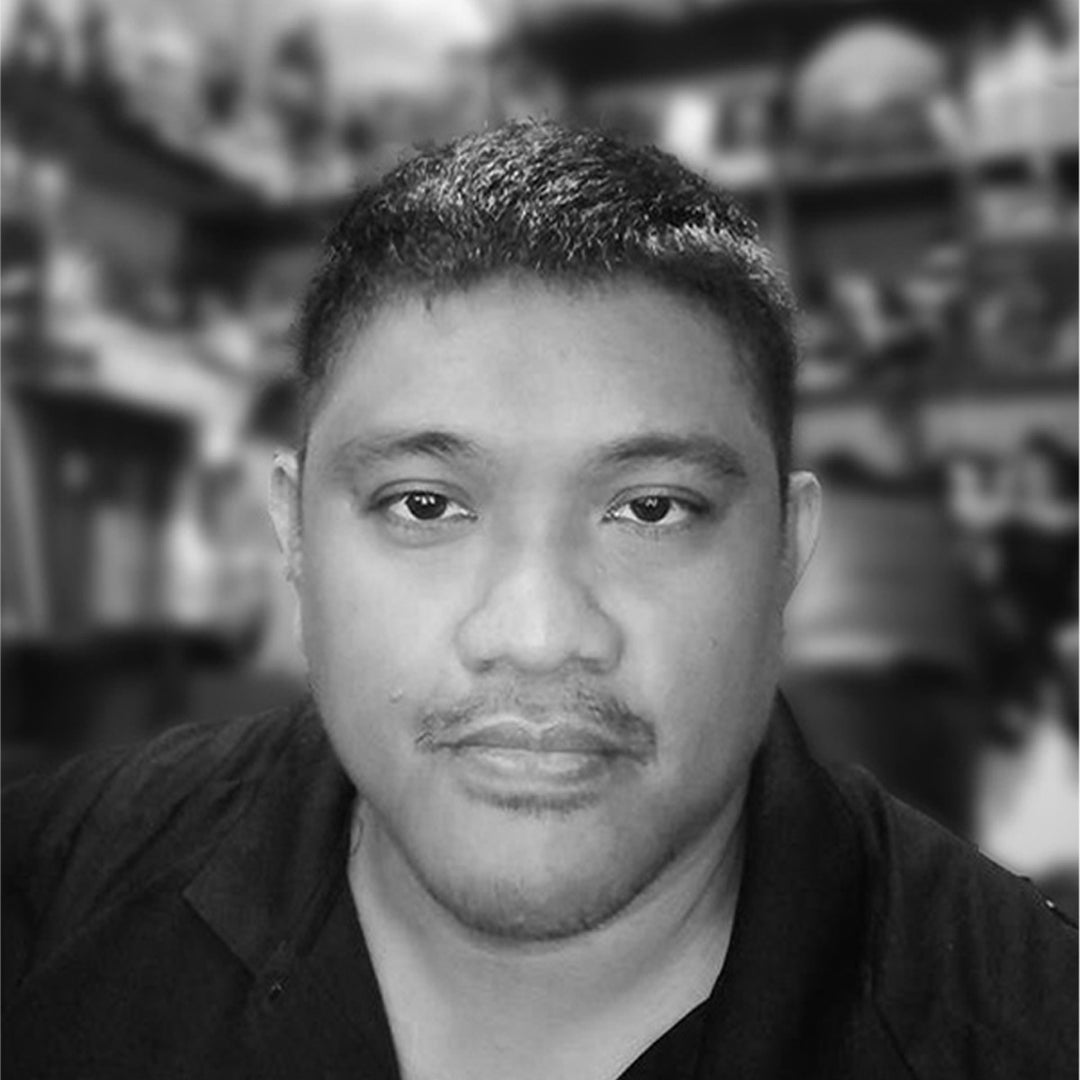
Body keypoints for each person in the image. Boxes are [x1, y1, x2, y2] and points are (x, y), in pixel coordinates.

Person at [3, 121, 1075, 1079]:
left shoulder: (1030, 1033)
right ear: (292, 533)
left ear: (787, 549)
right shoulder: (48, 898)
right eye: (425, 505)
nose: (537, 633)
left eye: (651, 509)